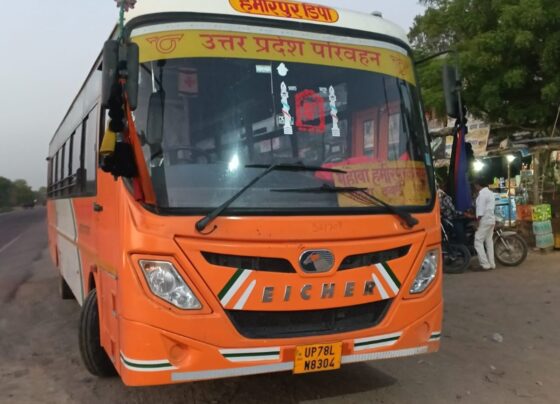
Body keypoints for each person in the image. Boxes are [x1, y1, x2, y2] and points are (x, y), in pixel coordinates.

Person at [473, 178, 496, 270]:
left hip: (484, 220)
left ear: (478, 185)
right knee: (489, 242)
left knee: (478, 240)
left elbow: (480, 211)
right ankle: (492, 264)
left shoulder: (482, 194)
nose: (475, 187)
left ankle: (485, 264)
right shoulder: (490, 193)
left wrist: (477, 223)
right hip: (491, 219)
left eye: (475, 185)